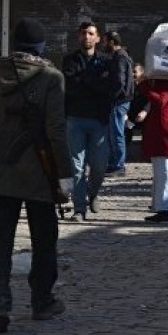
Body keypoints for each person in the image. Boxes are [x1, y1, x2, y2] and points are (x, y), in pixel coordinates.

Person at [0, 18, 73, 333]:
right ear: (41, 47)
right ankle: (42, 300)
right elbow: (56, 131)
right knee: (44, 238)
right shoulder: (52, 78)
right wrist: (65, 175)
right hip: (39, 172)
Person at [61, 21, 121, 221]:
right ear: (79, 37)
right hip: (75, 118)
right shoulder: (70, 60)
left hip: (99, 119)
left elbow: (110, 88)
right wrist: (95, 81)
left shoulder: (106, 61)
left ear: (97, 38)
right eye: (83, 33)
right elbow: (71, 86)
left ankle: (93, 192)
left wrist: (85, 81)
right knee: (76, 166)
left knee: (99, 165)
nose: (86, 36)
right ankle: (79, 209)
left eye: (91, 33)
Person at [137, 77, 168, 223]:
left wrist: (144, 86)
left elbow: (160, 100)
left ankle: (166, 209)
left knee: (165, 171)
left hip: (165, 129)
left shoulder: (167, 79)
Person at [103, 31, 134, 175]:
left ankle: (118, 165)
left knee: (116, 133)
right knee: (114, 133)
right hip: (121, 101)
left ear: (111, 42)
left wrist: (113, 97)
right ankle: (114, 163)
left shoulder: (120, 57)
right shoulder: (120, 56)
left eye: (105, 41)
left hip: (119, 102)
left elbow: (119, 82)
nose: (103, 44)